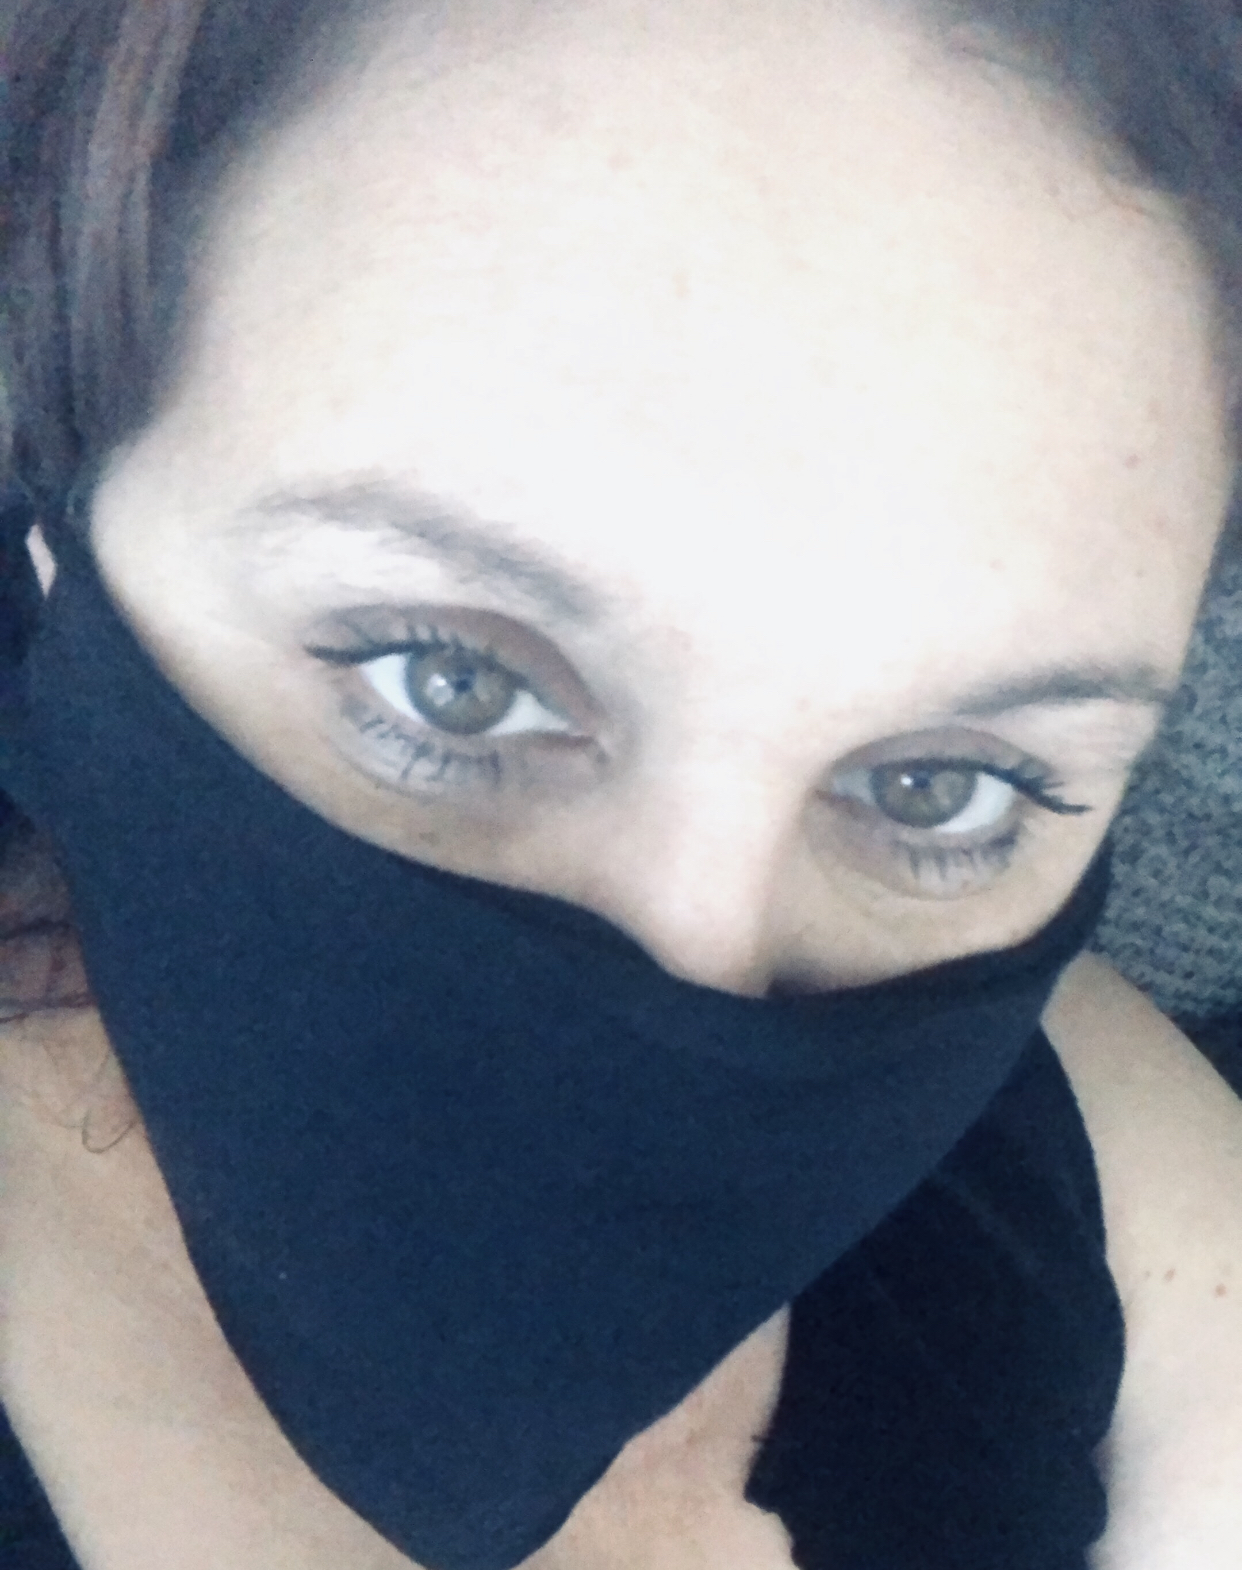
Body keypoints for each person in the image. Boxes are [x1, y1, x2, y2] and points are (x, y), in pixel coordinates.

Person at [1, 1, 1241, 1566]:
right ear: (52, 518)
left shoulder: (1093, 1159)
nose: (696, 988)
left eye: (941, 788)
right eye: (450, 680)